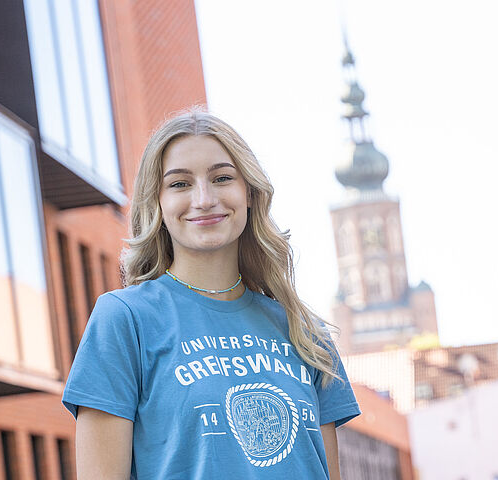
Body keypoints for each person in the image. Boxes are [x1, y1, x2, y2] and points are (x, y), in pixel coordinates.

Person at [63, 110, 359, 479]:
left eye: (221, 178)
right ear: (157, 202)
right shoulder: (125, 319)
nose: (204, 199)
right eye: (180, 184)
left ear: (249, 193)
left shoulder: (304, 330)